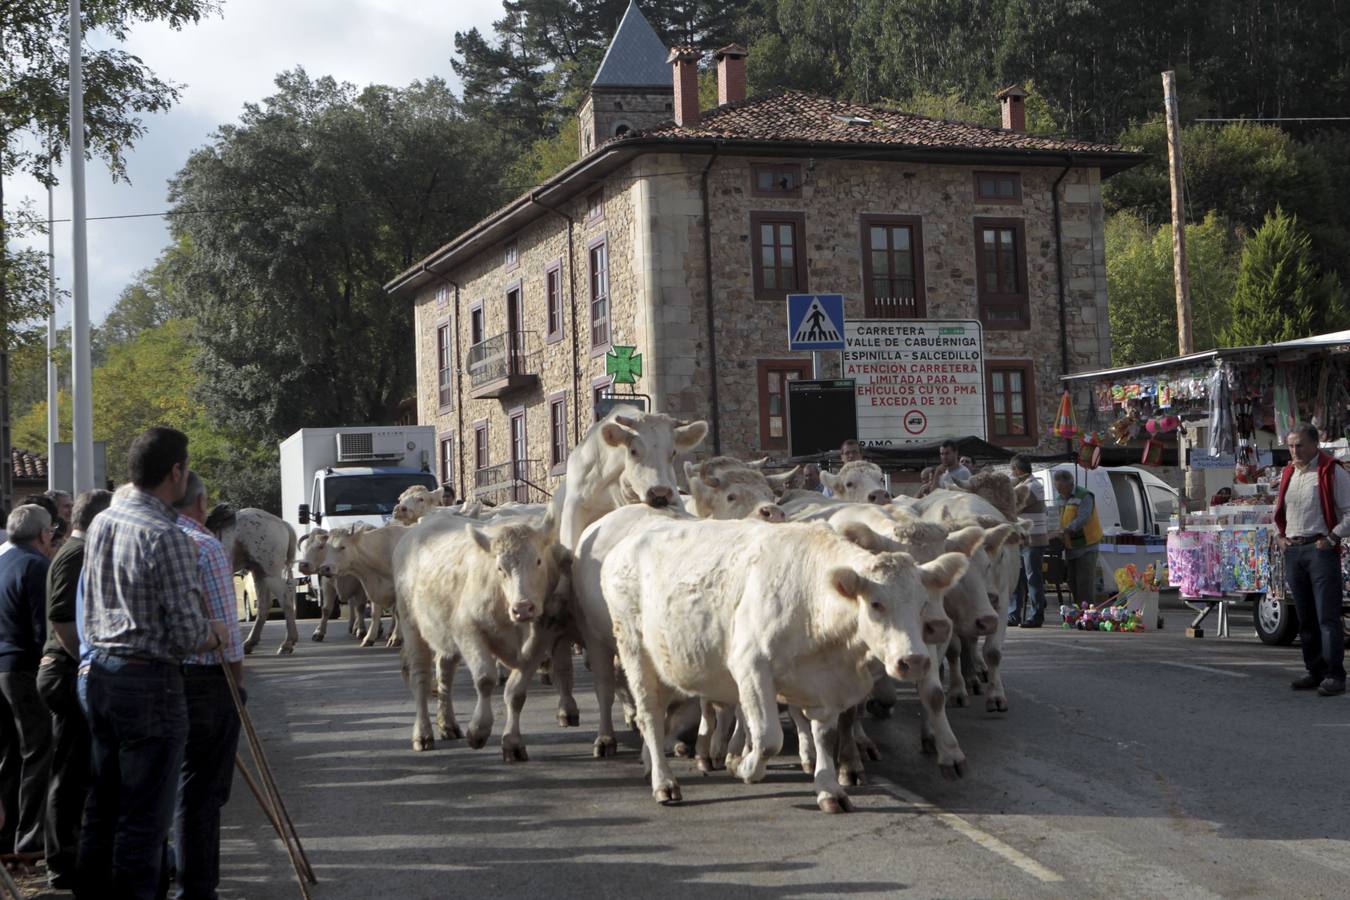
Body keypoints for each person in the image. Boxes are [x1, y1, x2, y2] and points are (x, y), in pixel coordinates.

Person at [77, 427, 231, 898]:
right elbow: (188, 636)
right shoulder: (169, 537)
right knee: (144, 822)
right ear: (176, 472)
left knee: (102, 809)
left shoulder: (104, 519)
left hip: (100, 674)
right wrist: (217, 631)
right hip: (149, 684)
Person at [172, 473, 245, 900]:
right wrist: (238, 686)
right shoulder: (206, 547)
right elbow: (228, 632)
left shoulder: (145, 538)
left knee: (169, 788)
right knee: (201, 795)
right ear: (201, 503)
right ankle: (197, 889)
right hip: (205, 678)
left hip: (156, 675)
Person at [37, 489, 113, 890]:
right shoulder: (78, 554)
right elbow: (63, 620)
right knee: (69, 771)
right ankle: (61, 862)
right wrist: (89, 666)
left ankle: (72, 854)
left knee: (78, 768)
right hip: (66, 672)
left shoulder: (75, 551)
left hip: (69, 670)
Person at [1275, 423, 1350, 696]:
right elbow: (1280, 510)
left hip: (1319, 550)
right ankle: (1314, 669)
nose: (1294, 450)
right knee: (1305, 616)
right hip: (1294, 551)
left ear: (1314, 445)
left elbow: (1349, 512)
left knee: (1327, 617)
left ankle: (1335, 674)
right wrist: (1280, 537)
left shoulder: (1331, 471)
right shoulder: (1288, 473)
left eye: (1300, 445)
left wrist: (1331, 538)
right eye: (1291, 445)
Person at [0, 505, 56, 860]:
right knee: (39, 750)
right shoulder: (37, 566)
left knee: (10, 753)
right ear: (43, 534)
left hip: (2, 666)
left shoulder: (3, 562)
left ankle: (6, 835)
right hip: (23, 668)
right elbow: (42, 629)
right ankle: (31, 838)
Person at [1008, 456, 1049, 628]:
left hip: (1033, 539)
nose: (1011, 474)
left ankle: (1036, 615)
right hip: (1020, 538)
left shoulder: (1034, 486)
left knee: (1033, 578)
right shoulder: (1021, 485)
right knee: (1016, 578)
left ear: (1017, 470)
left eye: (1012, 470)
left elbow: (1013, 504)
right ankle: (1014, 614)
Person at [1053, 469, 1102, 608]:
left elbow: (1083, 517)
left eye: (1061, 488)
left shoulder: (1085, 495)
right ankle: (1078, 610)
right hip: (1071, 547)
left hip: (1087, 546)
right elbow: (1056, 517)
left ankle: (1088, 613)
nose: (1060, 492)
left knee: (1084, 583)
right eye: (1057, 488)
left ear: (1070, 483)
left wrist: (1066, 529)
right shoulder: (1059, 498)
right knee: (1072, 582)